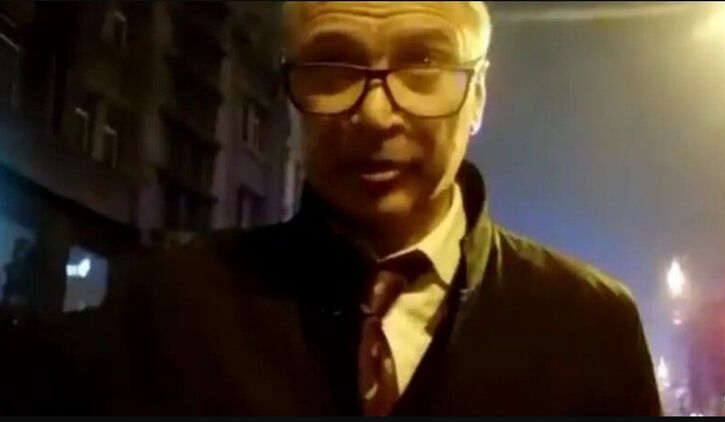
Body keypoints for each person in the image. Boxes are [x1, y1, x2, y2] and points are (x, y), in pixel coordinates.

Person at [1, 1, 661, 415]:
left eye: (422, 61)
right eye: (334, 66)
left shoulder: (592, 328)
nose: (374, 114)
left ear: (478, 97)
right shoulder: (174, 305)